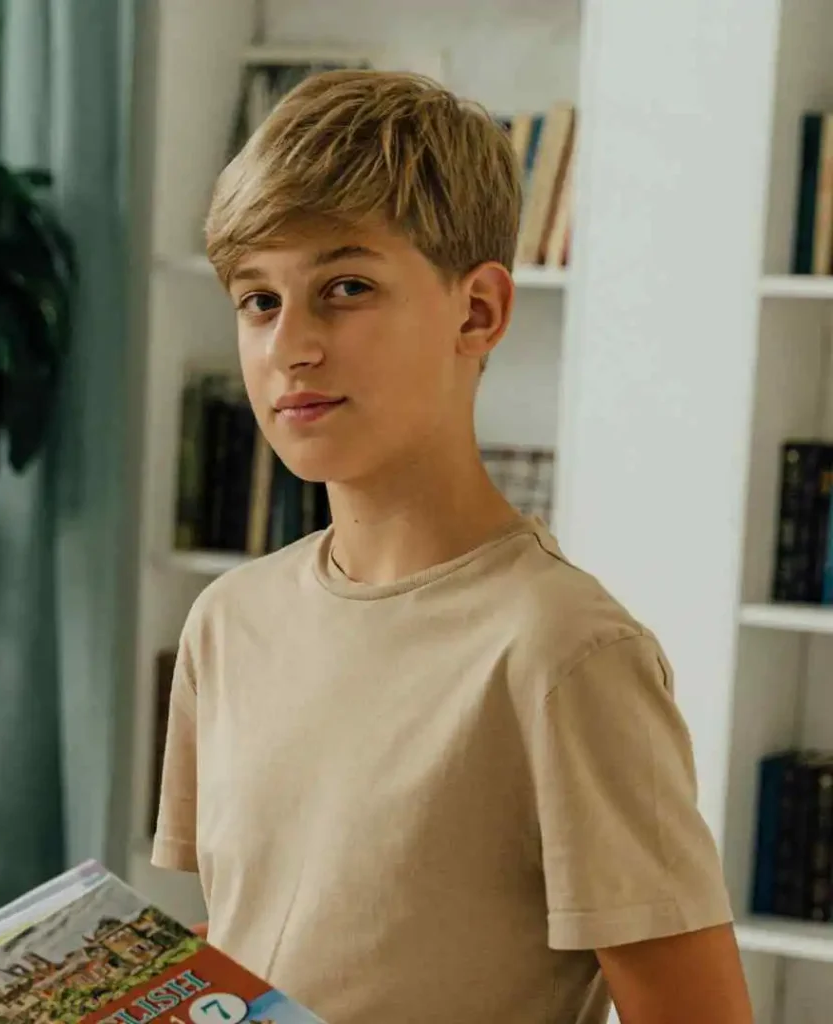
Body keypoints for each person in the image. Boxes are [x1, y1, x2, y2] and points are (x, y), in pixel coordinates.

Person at [151, 69, 753, 1024]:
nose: (290, 346)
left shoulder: (566, 655)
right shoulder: (228, 623)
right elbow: (259, 965)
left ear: (478, 312)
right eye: (258, 300)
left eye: (345, 288)